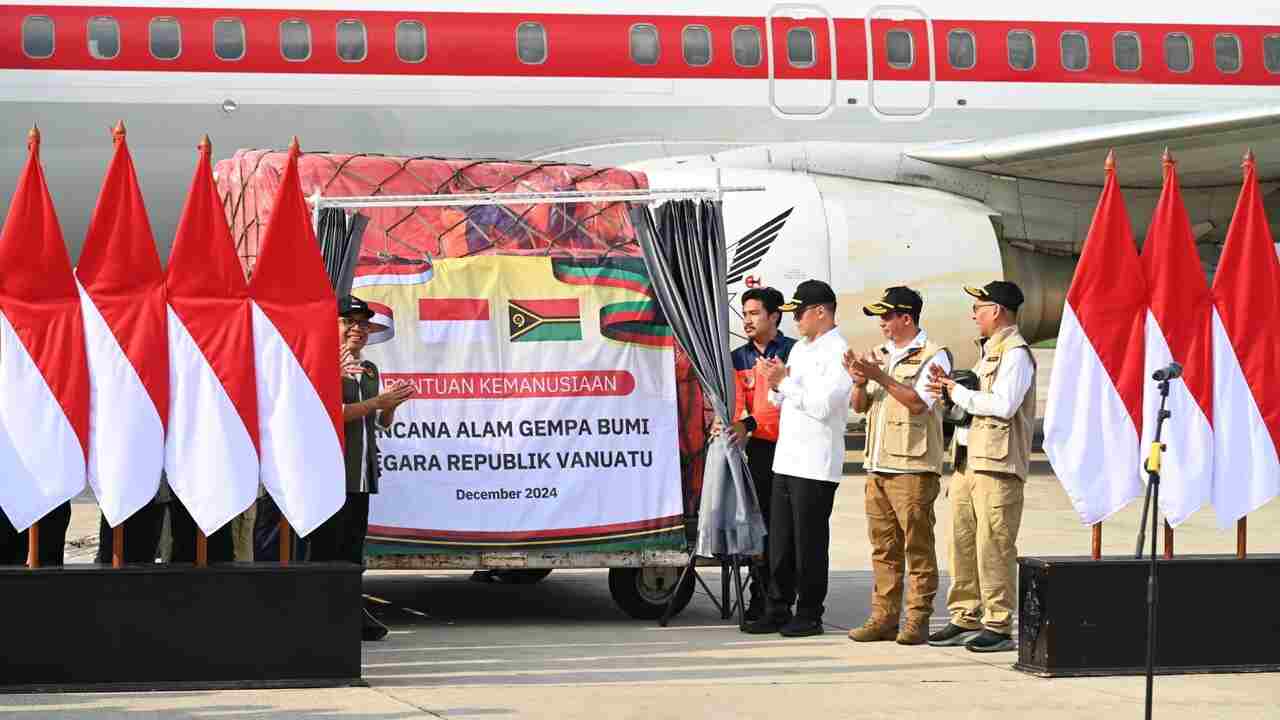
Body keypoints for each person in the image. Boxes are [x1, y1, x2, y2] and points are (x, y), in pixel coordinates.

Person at [925, 281, 1036, 653]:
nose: (974, 315)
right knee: (962, 543)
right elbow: (971, 409)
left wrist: (959, 393)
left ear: (998, 311)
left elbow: (1004, 404)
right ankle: (964, 614)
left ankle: (998, 623)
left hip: (998, 466)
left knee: (994, 545)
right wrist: (949, 395)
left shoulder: (1015, 354)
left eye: (979, 307)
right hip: (968, 462)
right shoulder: (988, 353)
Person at [743, 280, 852, 638]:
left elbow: (823, 406)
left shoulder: (838, 352)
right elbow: (783, 400)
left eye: (800, 313)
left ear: (821, 311)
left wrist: (784, 383)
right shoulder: (802, 350)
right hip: (787, 458)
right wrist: (774, 382)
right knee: (781, 542)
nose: (796, 322)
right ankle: (777, 606)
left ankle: (809, 613)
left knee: (809, 544)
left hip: (815, 462)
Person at [845, 287, 952, 645]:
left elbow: (919, 403)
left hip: (913, 466)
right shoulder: (881, 354)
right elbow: (859, 406)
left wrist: (880, 377)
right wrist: (860, 381)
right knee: (883, 547)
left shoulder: (934, 356)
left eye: (888, 315)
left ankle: (917, 619)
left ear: (907, 317)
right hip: (878, 464)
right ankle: (883, 617)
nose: (882, 323)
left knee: (917, 546)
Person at [308, 295, 412, 641]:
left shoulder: (369, 369)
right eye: (348, 322)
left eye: (363, 324)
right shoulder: (318, 363)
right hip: (330, 475)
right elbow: (325, 416)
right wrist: (374, 403)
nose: (357, 329)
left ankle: (352, 611)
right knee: (326, 551)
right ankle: (323, 617)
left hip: (362, 473)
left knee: (353, 550)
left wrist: (390, 406)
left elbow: (379, 424)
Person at [723, 287, 796, 621]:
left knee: (785, 531)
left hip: (791, 450)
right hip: (758, 452)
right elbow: (737, 406)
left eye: (754, 313)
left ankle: (783, 599)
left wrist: (747, 423)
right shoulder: (738, 357)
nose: (747, 320)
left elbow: (786, 407)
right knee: (760, 528)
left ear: (774, 316)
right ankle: (761, 597)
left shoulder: (795, 352)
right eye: (745, 313)